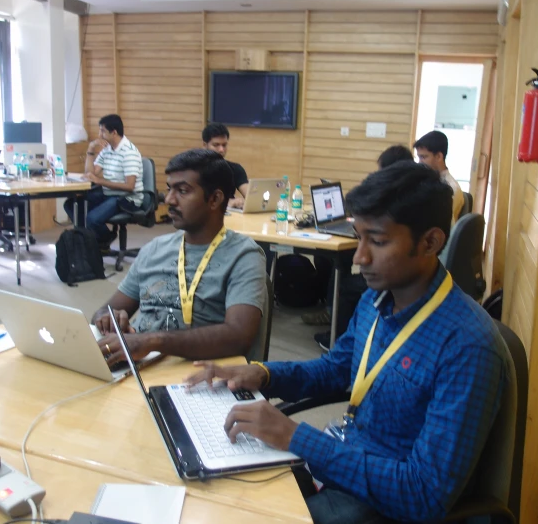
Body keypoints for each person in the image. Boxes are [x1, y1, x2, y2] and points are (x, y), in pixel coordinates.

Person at [187, 162, 508, 524]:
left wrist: (296, 437)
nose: (359, 258)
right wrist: (261, 374)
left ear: (431, 242)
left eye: (379, 241)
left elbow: (423, 495)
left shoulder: (468, 347)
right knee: (216, 489)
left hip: (385, 506)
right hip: (342, 463)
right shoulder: (378, 299)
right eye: (359, 237)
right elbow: (335, 368)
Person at [92, 149, 266, 363]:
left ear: (214, 199)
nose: (170, 200)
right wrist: (106, 319)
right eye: (169, 189)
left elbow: (238, 337)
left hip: (196, 374)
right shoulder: (154, 249)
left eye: (182, 191)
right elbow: (104, 310)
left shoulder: (243, 255)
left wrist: (151, 341)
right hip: (137, 363)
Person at [304, 144, 416, 350]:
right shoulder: (410, 194)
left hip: (403, 276)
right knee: (338, 260)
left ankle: (336, 337)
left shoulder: (399, 201)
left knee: (346, 282)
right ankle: (331, 311)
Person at [64, 114, 144, 250]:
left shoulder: (129, 152)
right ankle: (91, 239)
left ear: (114, 133)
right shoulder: (107, 149)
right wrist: (90, 148)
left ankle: (105, 238)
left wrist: (99, 181)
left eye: (103, 131)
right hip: (109, 192)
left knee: (92, 219)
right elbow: (91, 173)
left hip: (127, 198)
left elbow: (129, 186)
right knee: (72, 205)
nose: (99, 135)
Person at [414, 130, 464, 224]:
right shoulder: (424, 181)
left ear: (438, 157)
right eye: (419, 157)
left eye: (423, 157)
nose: (419, 162)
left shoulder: (451, 188)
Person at [201, 123, 248, 209]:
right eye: (216, 145)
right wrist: (227, 202)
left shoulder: (236, 169)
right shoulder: (195, 169)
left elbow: (250, 197)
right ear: (205, 145)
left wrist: (242, 202)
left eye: (224, 145)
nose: (221, 150)